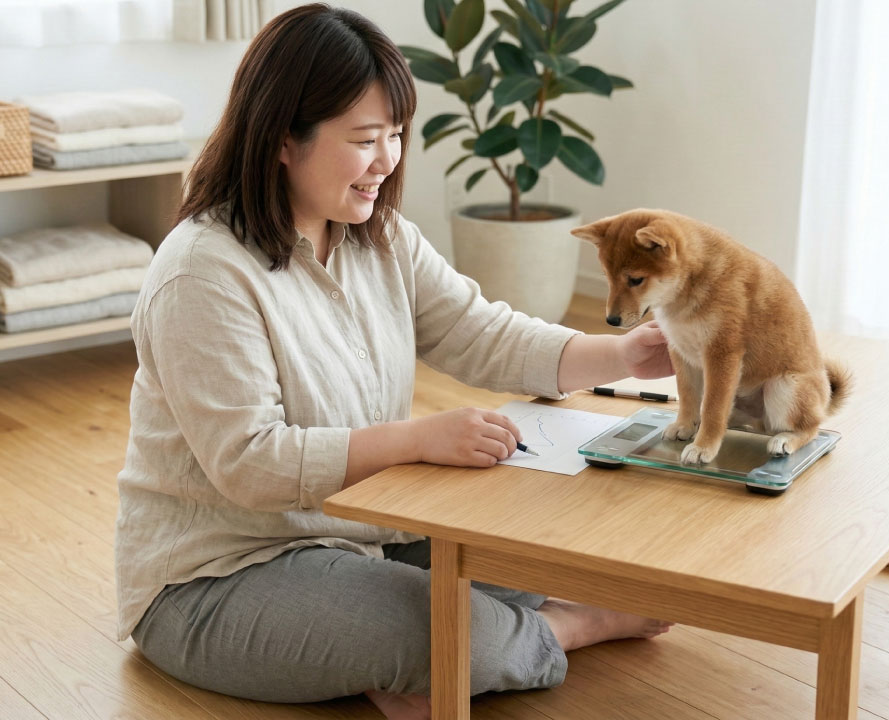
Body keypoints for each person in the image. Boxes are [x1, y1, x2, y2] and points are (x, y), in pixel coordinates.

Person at [114, 4, 676, 718]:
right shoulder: (202, 273)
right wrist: (418, 439)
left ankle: (421, 661)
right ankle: (570, 629)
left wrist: (623, 355)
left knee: (524, 565)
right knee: (456, 636)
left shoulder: (378, 237)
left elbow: (483, 333)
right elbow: (249, 462)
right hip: (219, 575)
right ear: (284, 139)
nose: (389, 159)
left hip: (365, 534)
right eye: (365, 139)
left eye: (397, 135)